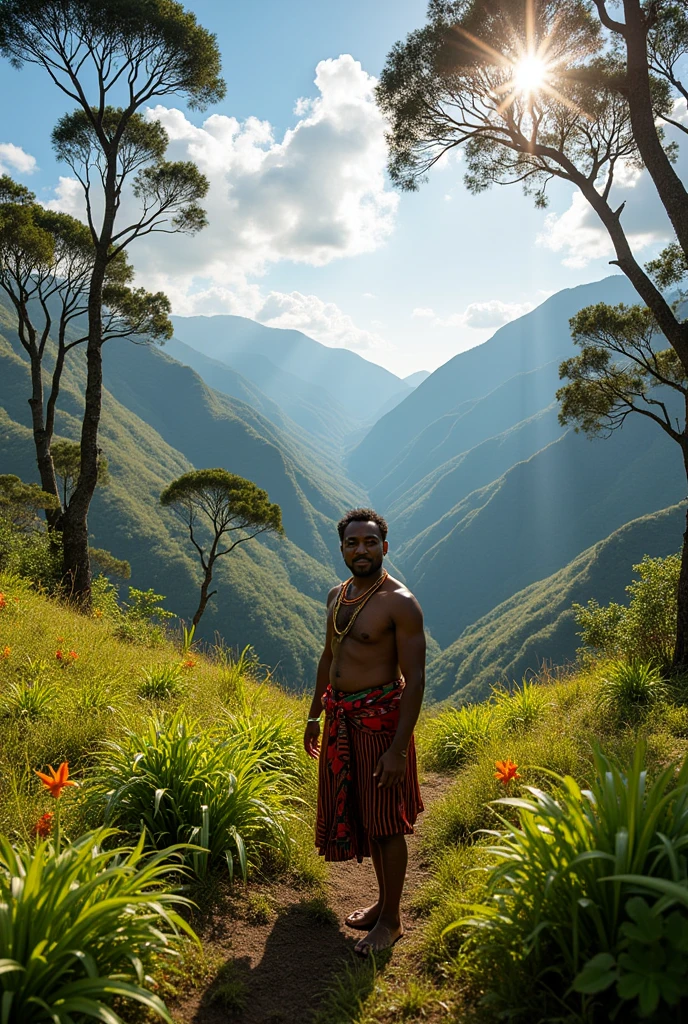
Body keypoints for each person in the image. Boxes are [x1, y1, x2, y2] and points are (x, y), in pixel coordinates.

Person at [304, 507, 425, 956]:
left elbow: (415, 680)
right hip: (340, 718)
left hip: (379, 725)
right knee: (368, 819)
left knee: (386, 823)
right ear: (341, 549)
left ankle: (392, 922)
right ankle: (382, 904)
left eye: (370, 542)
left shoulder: (400, 602)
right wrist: (315, 715)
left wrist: (397, 750)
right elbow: (327, 658)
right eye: (352, 543)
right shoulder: (338, 595)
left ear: (384, 547)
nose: (361, 550)